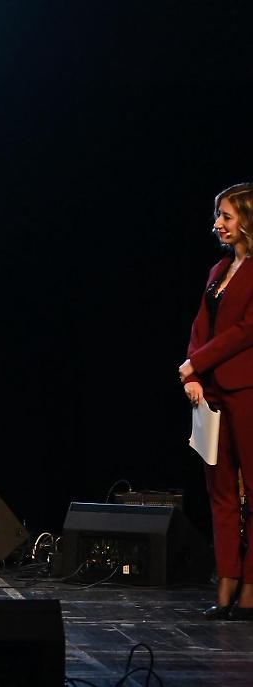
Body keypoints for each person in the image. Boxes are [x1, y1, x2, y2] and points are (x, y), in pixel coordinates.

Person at [181, 182, 253, 621]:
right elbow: (201, 326)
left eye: (226, 216)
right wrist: (193, 373)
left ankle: (250, 591)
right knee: (220, 491)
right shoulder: (219, 269)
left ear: (247, 219)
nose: (218, 224)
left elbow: (245, 331)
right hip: (213, 392)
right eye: (218, 216)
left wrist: (197, 362)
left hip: (246, 388)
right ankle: (225, 583)